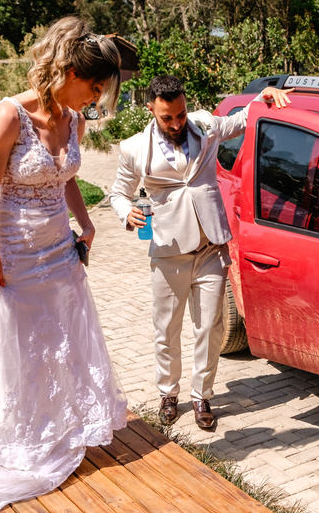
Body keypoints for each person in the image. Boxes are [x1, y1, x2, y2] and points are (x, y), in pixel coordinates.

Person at [0, 16, 128, 513]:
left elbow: (67, 176)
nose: (96, 97)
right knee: (13, 345)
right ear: (67, 72)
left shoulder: (75, 119)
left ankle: (55, 428)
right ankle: (13, 442)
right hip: (12, 249)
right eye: (93, 87)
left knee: (58, 341)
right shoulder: (9, 114)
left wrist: (86, 224)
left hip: (57, 246)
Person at [109, 75, 291, 429]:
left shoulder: (205, 125)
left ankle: (201, 396)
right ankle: (168, 392)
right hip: (168, 251)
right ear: (151, 110)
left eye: (180, 114)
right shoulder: (133, 148)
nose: (176, 123)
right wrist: (124, 211)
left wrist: (263, 96)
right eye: (167, 118)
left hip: (211, 247)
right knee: (167, 329)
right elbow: (118, 192)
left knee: (210, 326)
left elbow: (241, 119)